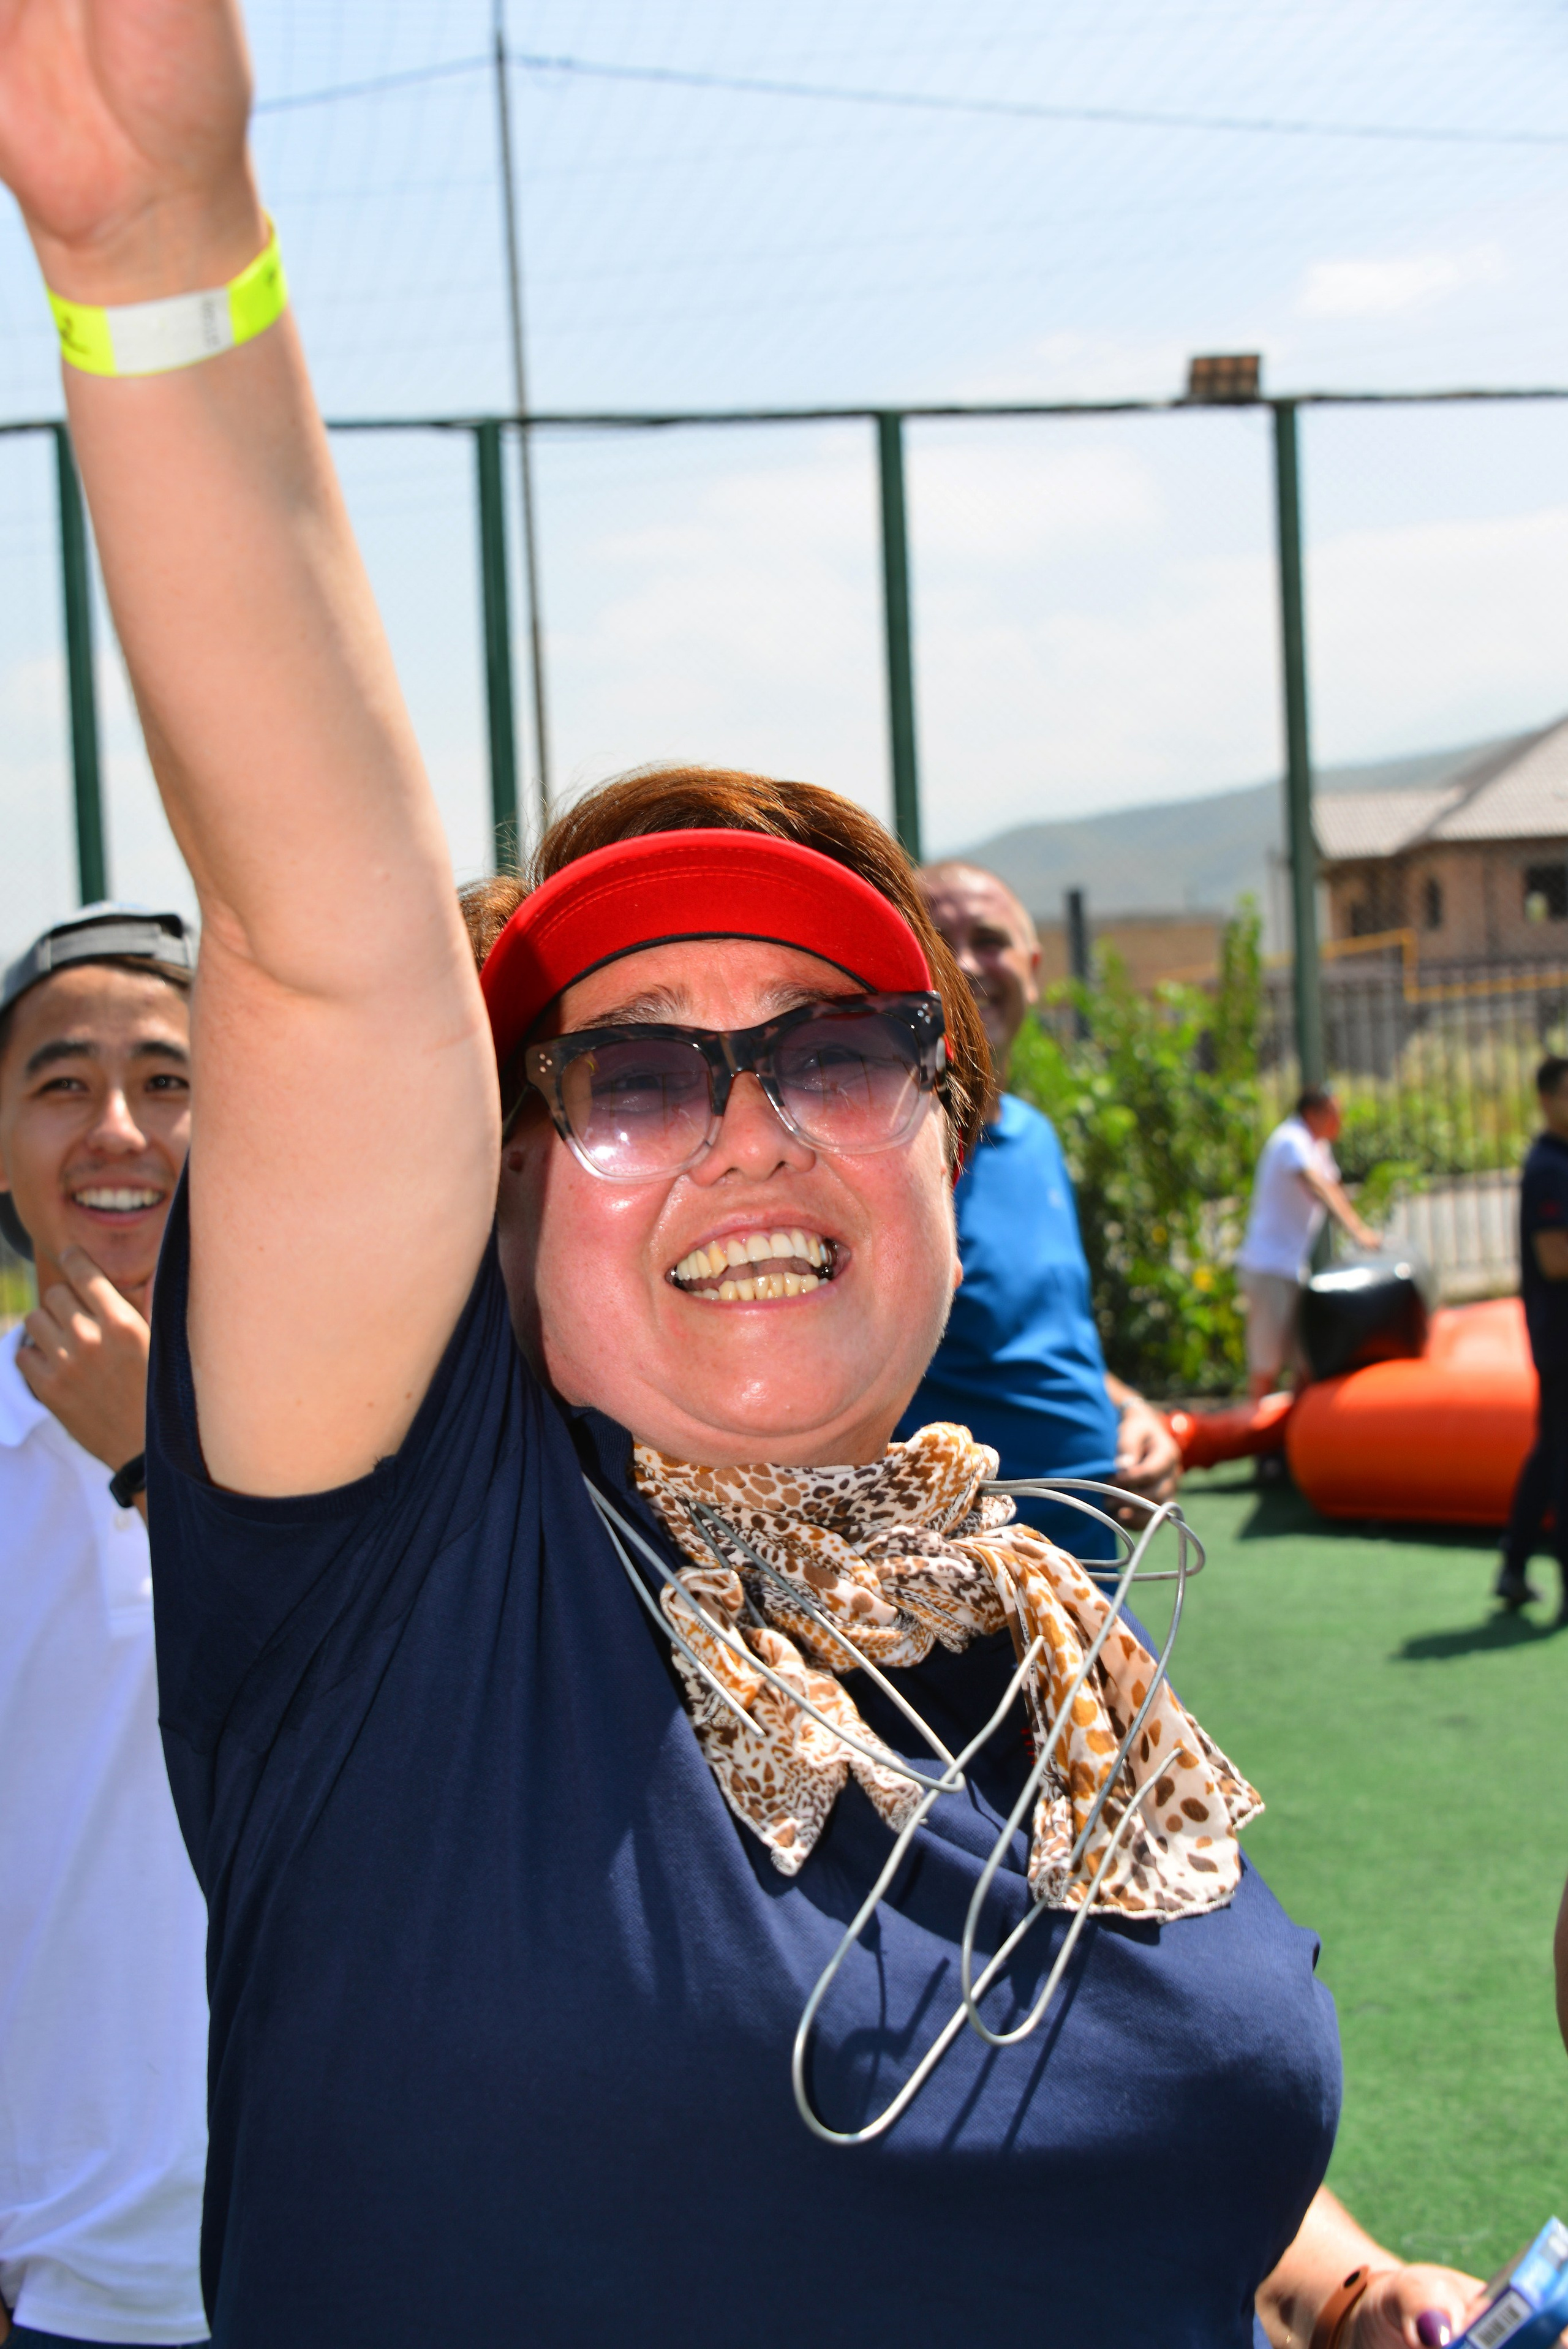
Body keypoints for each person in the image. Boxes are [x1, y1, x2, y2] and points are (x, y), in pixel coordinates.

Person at [0, 13, 1490, 2342]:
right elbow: (325, 944)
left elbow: (1079, 2093)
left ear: (944, 1133)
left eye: (833, 1045)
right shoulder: (416, 1592)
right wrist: (155, 243)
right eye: (623, 1074)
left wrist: (1328, 2276)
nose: (746, 1119)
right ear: (486, 1193)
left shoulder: (1056, 1649)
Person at [0, 907, 208, 2349]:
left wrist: (162, 1457)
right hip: (70, 2278)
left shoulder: (385, 1446)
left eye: (170, 1079)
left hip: (369, 2248)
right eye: (63, 1082)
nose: (118, 1129)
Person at [899, 861, 1182, 1545]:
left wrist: (1131, 1410)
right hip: (968, 1581)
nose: (966, 963)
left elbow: (1048, 1336)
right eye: (939, 942)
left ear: (1033, 967)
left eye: (990, 939)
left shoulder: (1034, 1136)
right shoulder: (893, 1153)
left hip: (1090, 1548)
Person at [1236, 1087, 1379, 1400]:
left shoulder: (1318, 1146)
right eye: (1334, 1114)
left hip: (1291, 1267)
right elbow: (1319, 1186)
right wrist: (1358, 1231)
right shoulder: (1292, 1140)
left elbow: (1335, 1188)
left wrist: (1360, 1230)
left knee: (1306, 1361)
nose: (1340, 1121)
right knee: (1267, 1366)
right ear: (1313, 1114)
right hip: (1268, 1268)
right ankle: (1259, 1441)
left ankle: (1293, 1439)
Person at [1496, 1056, 1568, 1615]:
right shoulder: (1548, 1168)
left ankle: (1515, 1562)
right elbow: (1555, 1257)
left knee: (1551, 1449)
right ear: (1546, 1098)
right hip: (1559, 1334)